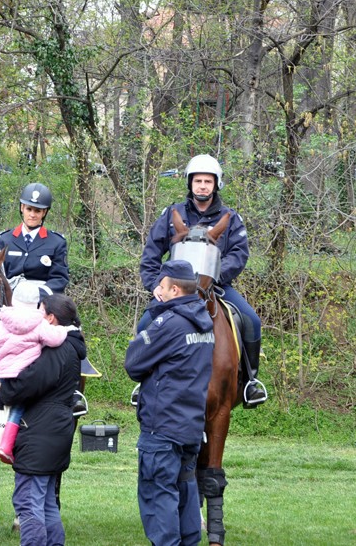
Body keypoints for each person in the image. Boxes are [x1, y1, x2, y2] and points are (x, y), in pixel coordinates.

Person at [139, 153, 266, 408]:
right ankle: (143, 379)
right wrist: (155, 285)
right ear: (190, 183)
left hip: (216, 286)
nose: (203, 186)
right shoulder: (171, 214)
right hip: (176, 289)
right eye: (198, 181)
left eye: (208, 181)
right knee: (146, 323)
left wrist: (214, 276)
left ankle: (250, 382)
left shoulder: (231, 218)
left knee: (251, 320)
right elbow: (151, 254)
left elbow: (238, 255)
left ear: (216, 184)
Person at [0, 182, 72, 420]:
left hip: (41, 302)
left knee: (68, 330)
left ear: (44, 213)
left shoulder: (56, 242)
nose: (33, 214)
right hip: (9, 299)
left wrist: (38, 295)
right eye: (29, 209)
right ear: (22, 208)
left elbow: (60, 278)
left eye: (38, 210)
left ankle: (72, 390)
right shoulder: (4, 238)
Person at [125, 260, 214, 546]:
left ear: (174, 290)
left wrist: (156, 311)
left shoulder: (170, 323)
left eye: (161, 287)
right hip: (190, 428)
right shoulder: (205, 321)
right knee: (186, 492)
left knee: (158, 495)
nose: (158, 292)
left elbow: (133, 362)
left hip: (161, 429)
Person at [0, 293, 85, 544]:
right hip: (56, 429)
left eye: (40, 311)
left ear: (51, 318)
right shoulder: (71, 346)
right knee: (46, 503)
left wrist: (5, 390)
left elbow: (27, 384)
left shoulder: (58, 349)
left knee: (28, 503)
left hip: (40, 432)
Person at [0, 281, 73, 464]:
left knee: (6, 403)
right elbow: (54, 340)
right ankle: (6, 444)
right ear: (36, 304)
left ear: (13, 301)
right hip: (26, 374)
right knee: (19, 407)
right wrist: (63, 330)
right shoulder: (39, 324)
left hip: (5, 373)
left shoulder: (1, 324)